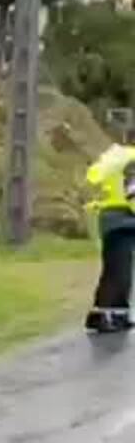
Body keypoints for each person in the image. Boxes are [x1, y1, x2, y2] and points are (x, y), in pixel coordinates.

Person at [84, 135, 135, 332]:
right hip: (123, 219)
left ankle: (112, 314)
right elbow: (132, 193)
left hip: (110, 218)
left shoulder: (115, 157)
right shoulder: (131, 159)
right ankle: (105, 316)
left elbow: (93, 180)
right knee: (119, 271)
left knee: (115, 269)